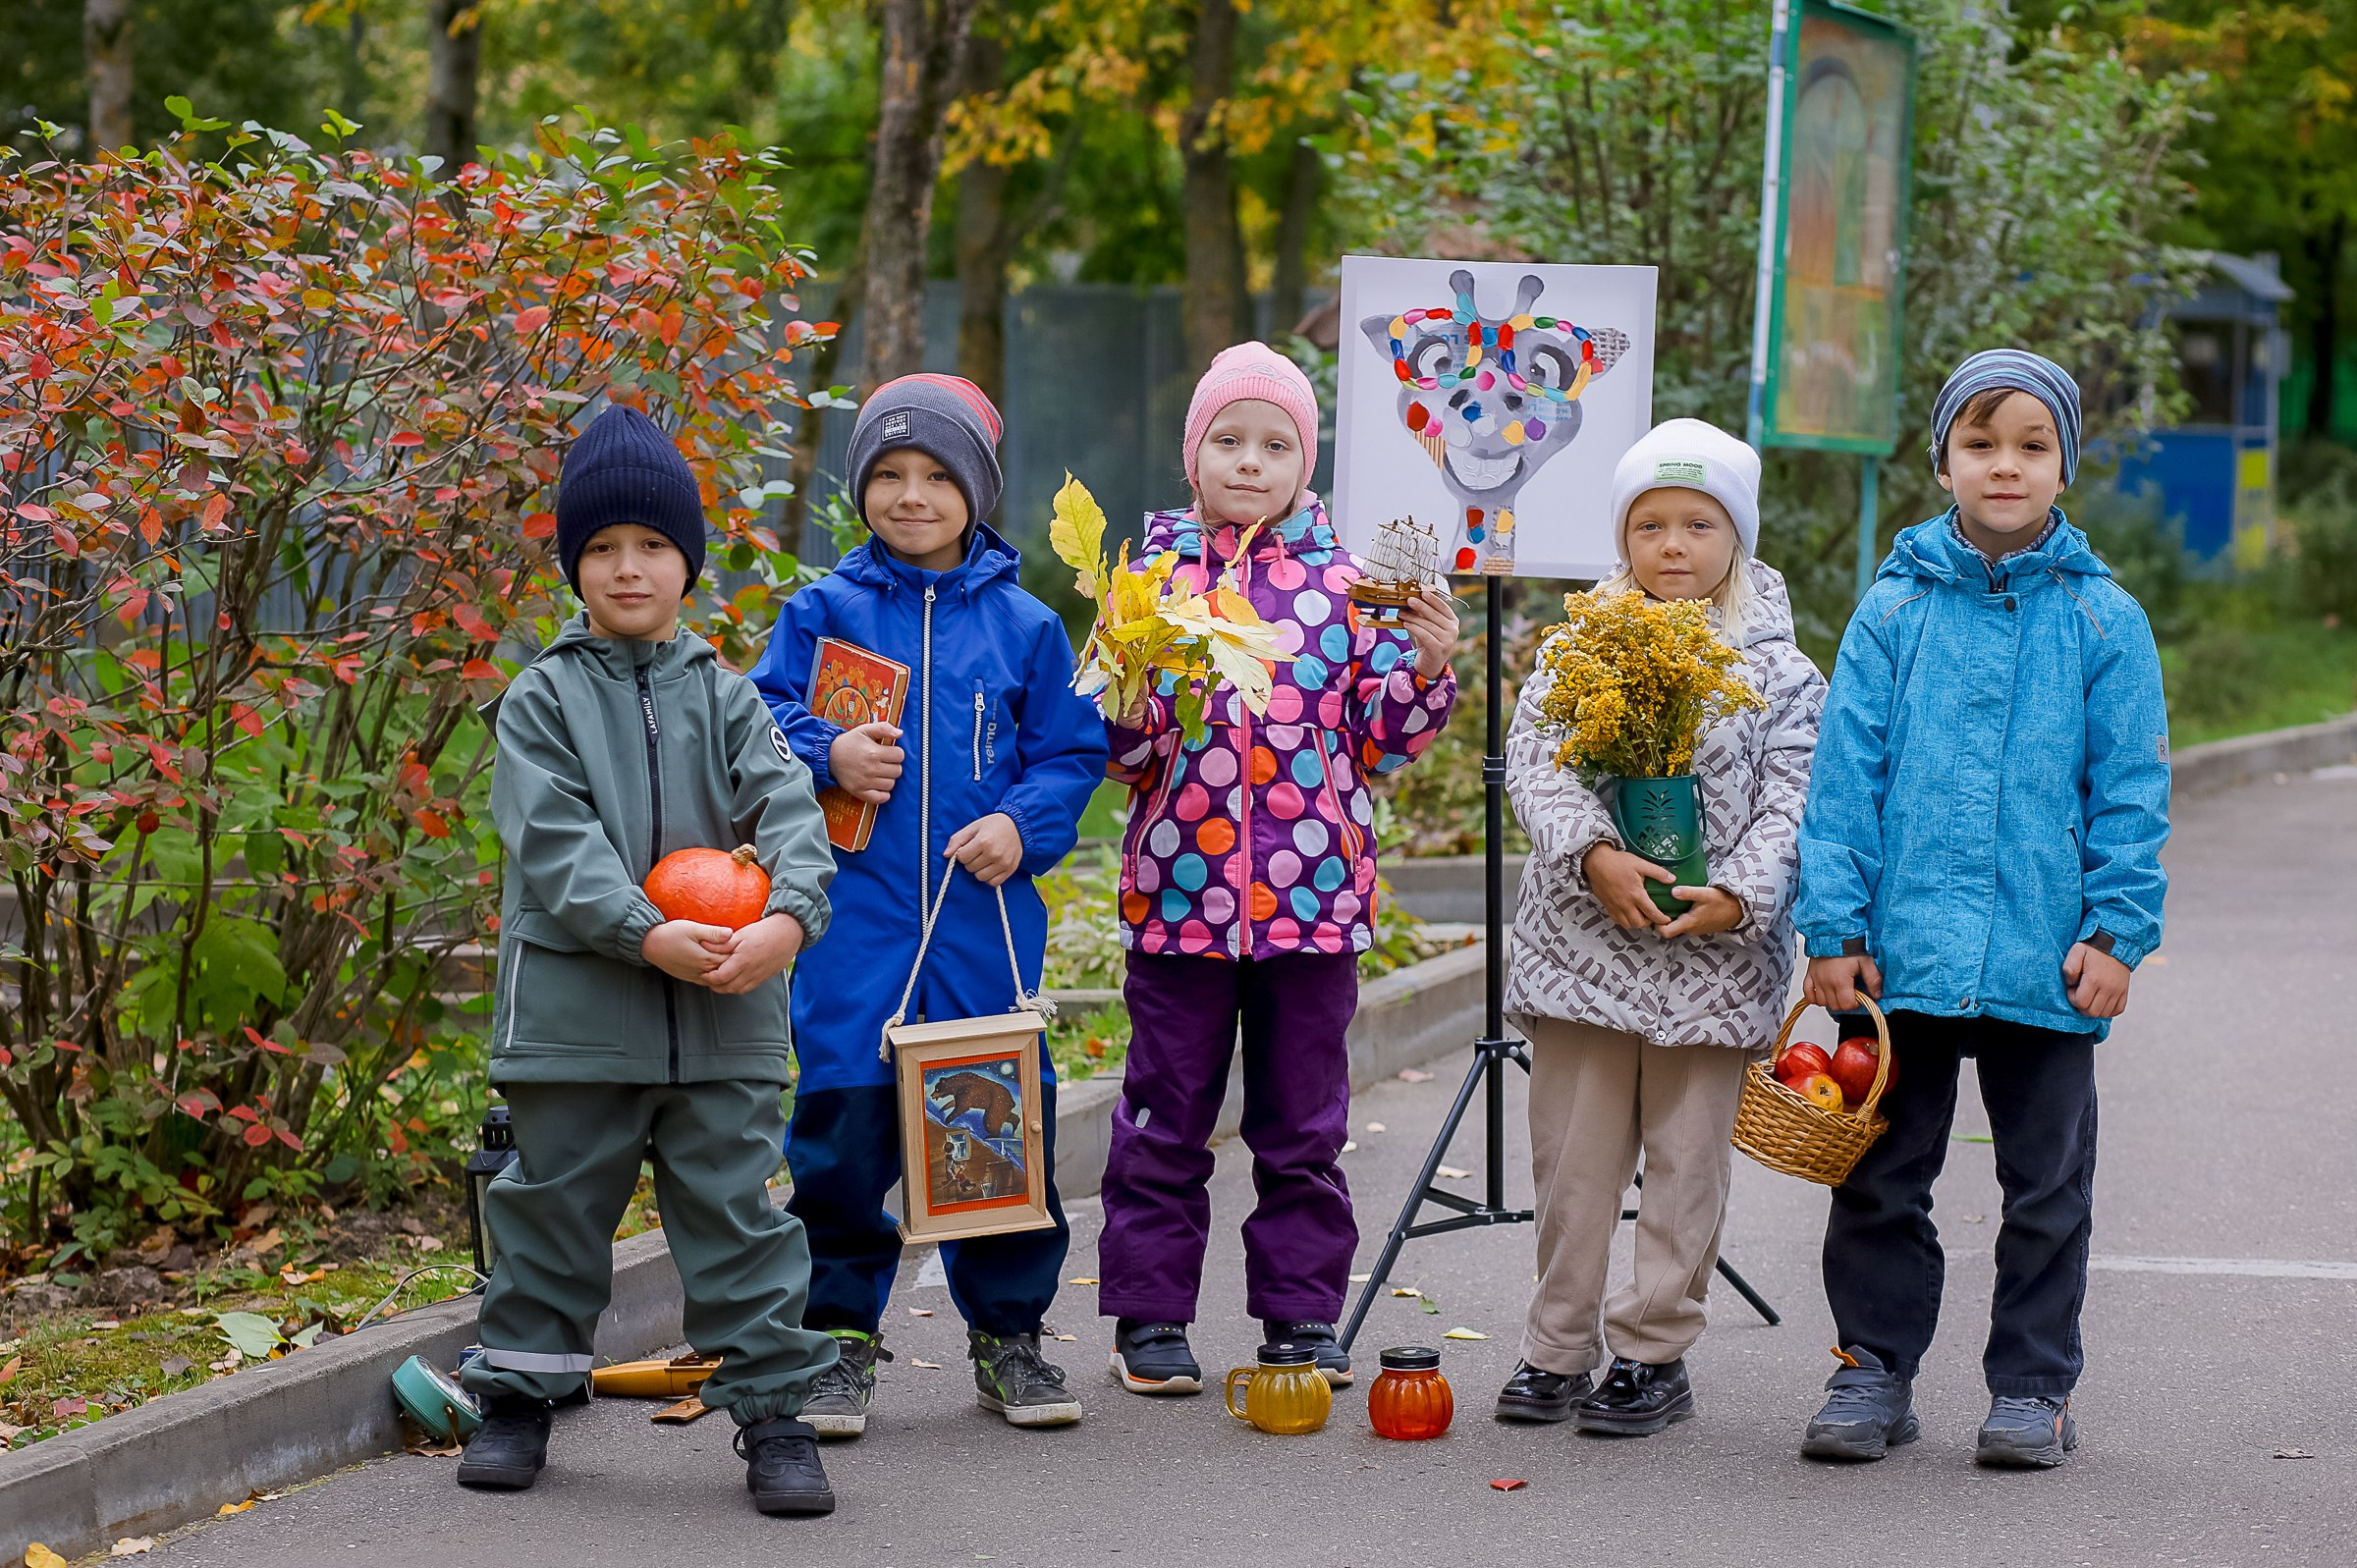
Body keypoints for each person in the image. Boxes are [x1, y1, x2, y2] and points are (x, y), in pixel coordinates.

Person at [460, 404, 842, 1517]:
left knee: (742, 1220)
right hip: (579, 1022)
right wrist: (644, 931)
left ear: (689, 562)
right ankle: (519, 1398)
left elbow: (791, 814)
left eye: (653, 546)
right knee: (553, 1212)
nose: (629, 568)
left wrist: (787, 921)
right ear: (575, 565)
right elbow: (557, 844)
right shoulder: (542, 699)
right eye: (603, 548)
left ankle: (776, 1414)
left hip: (725, 1017)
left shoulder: (729, 696)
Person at [1795, 350, 2169, 1469]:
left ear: (2064, 463)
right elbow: (1843, 775)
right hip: (1900, 956)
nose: (2004, 466)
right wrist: (1836, 928)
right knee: (1878, 1174)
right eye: (1980, 444)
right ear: (1944, 459)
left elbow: (2135, 791)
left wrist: (2116, 933)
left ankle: (2033, 1385)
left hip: (2045, 959)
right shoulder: (1895, 608)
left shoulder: (2105, 620)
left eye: (2030, 446)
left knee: (2046, 1186)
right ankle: (1872, 1368)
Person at [1094, 342, 1460, 1393]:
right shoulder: (1150, 586)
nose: (1249, 462)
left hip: (1313, 908)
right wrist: (1122, 688)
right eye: (1228, 440)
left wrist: (1428, 663)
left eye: (1275, 444)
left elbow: (1382, 742)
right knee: (1163, 1119)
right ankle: (1152, 1319)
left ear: (1307, 462)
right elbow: (1125, 753)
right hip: (1181, 903)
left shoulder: (1352, 589)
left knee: (1304, 1128)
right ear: (1193, 455)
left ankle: (1301, 1316)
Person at [751, 374, 1107, 1437]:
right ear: (863, 487)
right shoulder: (821, 613)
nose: (912, 495)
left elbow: (1070, 750)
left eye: (937, 476)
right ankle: (837, 1341)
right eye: (890, 475)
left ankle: (1010, 1336)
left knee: (992, 1129)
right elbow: (761, 719)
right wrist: (828, 749)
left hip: (976, 928)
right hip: (852, 924)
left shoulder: (1030, 624)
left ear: (979, 490)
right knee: (842, 1132)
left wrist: (1023, 824)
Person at [1494, 418, 1827, 1435]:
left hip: (1714, 956)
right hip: (1584, 951)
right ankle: (1556, 1347)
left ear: (1739, 537)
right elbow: (1536, 766)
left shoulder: (1785, 674)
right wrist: (1593, 851)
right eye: (1649, 525)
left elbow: (1797, 798)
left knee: (1687, 1168)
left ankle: (1653, 1353)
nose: (1672, 544)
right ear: (1622, 538)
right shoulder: (1575, 651)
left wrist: (1743, 893)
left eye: (1698, 522)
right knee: (1573, 1164)